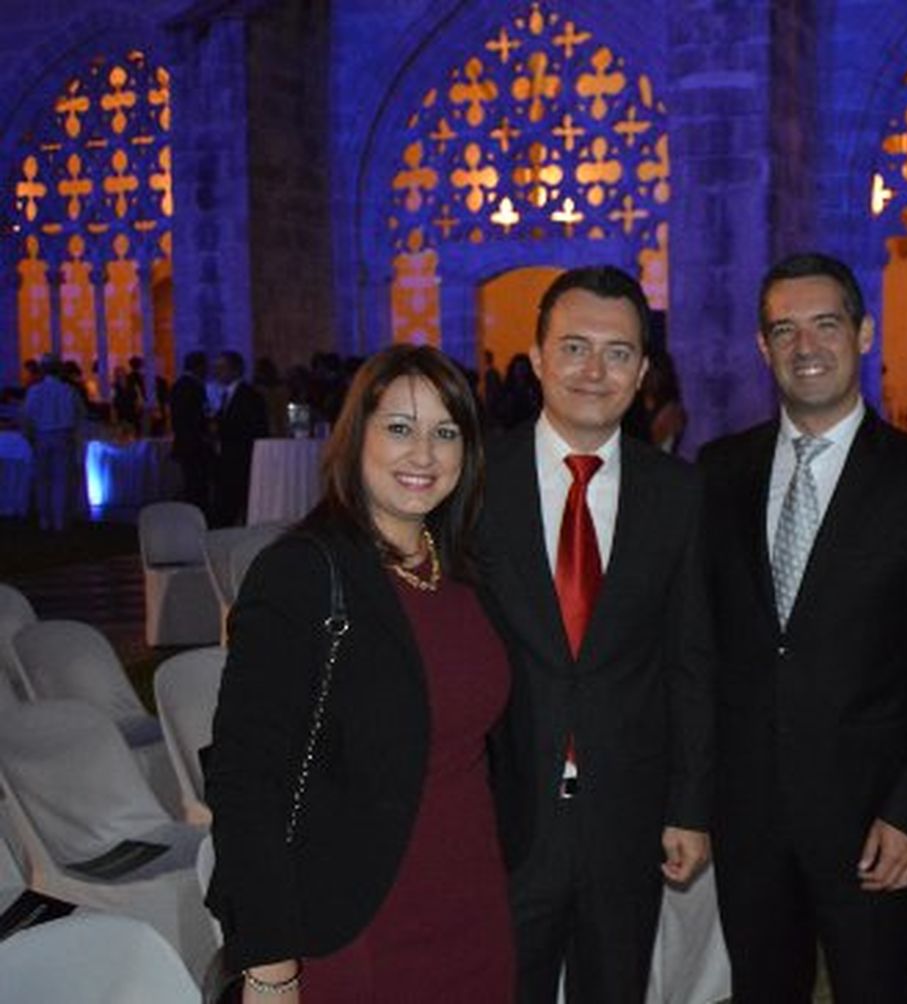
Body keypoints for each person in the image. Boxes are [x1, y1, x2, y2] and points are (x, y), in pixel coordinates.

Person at [699, 252, 907, 1002]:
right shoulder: (719, 471)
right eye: (783, 330)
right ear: (762, 347)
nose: (805, 346)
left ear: (864, 333)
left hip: (871, 826)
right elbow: (705, 649)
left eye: (825, 324)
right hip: (749, 818)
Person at [206, 344, 516, 1003]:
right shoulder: (302, 574)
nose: (423, 455)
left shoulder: (465, 568)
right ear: (356, 437)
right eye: (399, 428)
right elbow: (245, 780)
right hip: (357, 919)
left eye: (445, 432)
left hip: (476, 903)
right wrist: (270, 966)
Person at [478, 265, 713, 1003]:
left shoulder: (677, 494)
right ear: (539, 355)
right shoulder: (477, 479)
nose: (593, 370)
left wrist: (690, 806)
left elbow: (693, 661)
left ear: (642, 370)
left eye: (618, 353)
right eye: (574, 346)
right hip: (502, 813)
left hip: (628, 814)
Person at [20, 355, 85, 532]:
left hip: (41, 435)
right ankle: (59, 520)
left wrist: (29, 437)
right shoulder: (69, 390)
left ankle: (44, 519)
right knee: (61, 480)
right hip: (64, 436)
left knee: (42, 480)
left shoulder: (35, 391)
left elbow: (26, 417)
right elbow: (80, 415)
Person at [213, 349, 270, 526]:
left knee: (237, 501)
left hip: (242, 458)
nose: (217, 372)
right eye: (216, 368)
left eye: (222, 368)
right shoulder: (226, 395)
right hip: (228, 459)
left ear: (235, 370)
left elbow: (255, 428)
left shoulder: (249, 396)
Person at [170, 350, 213, 510]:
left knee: (191, 483)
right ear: (199, 367)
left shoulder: (178, 385)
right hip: (195, 445)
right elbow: (197, 416)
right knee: (197, 485)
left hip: (186, 443)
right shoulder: (194, 387)